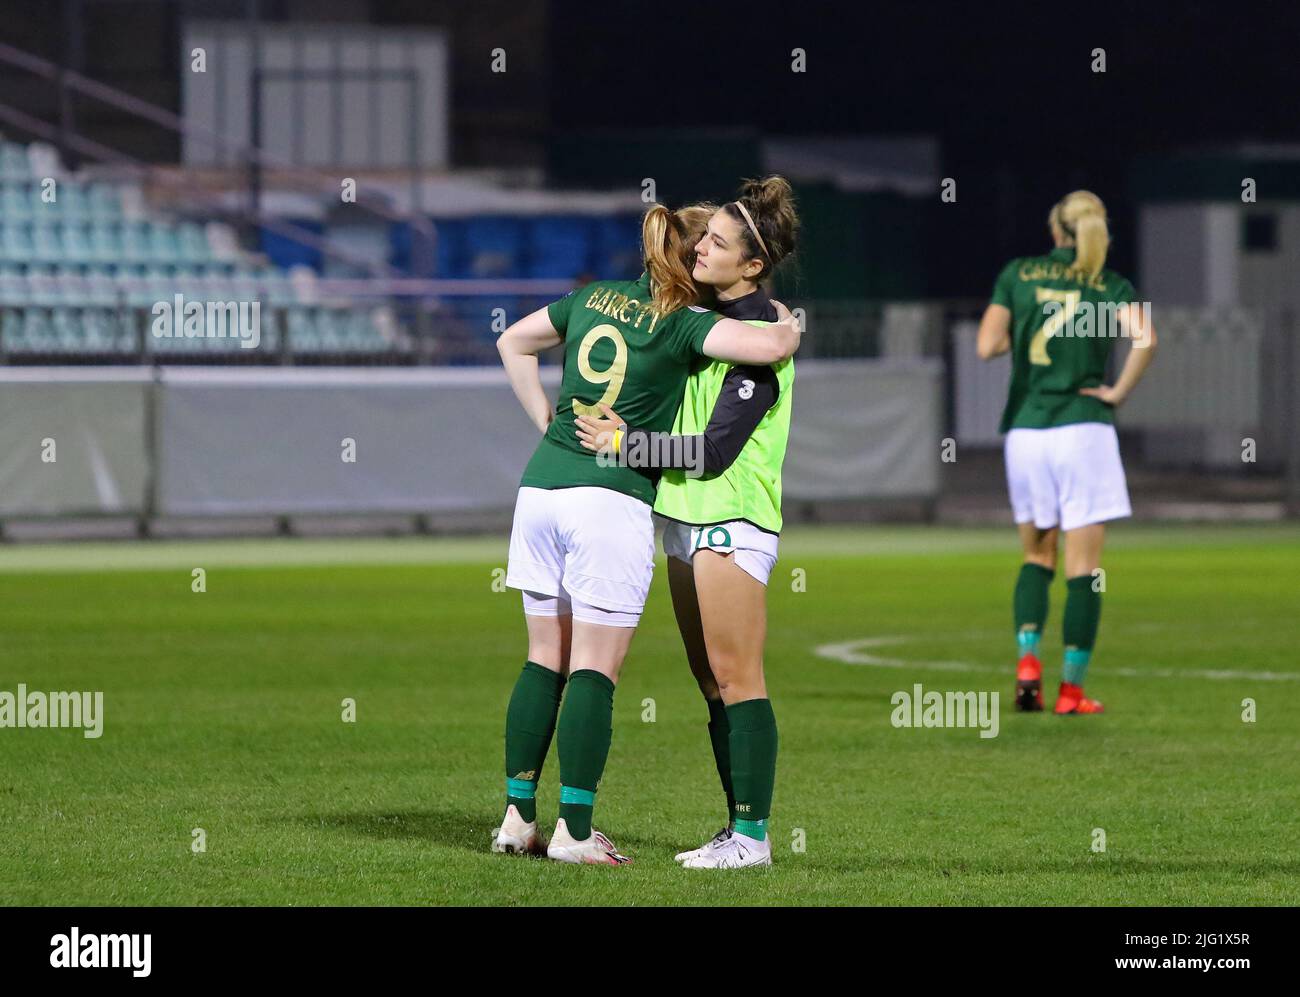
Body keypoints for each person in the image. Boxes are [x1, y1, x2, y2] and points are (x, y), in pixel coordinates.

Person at [492, 202, 801, 864]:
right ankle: (735, 831)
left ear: (753, 264)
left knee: (734, 676)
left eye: (720, 244)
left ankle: (751, 835)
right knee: (711, 681)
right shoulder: (693, 323)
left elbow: (716, 450)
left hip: (730, 516)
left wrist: (626, 440)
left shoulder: (723, 330)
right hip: (680, 518)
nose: (703, 253)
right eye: (704, 241)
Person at [976, 190, 1158, 715]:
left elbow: (987, 347)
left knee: (1037, 556)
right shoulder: (1110, 284)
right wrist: (1118, 392)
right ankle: (1071, 692)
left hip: (1027, 431)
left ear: (1054, 231)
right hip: (1085, 430)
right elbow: (1146, 339)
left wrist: (1024, 328)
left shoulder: (1019, 274)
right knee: (1086, 569)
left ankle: (1028, 662)